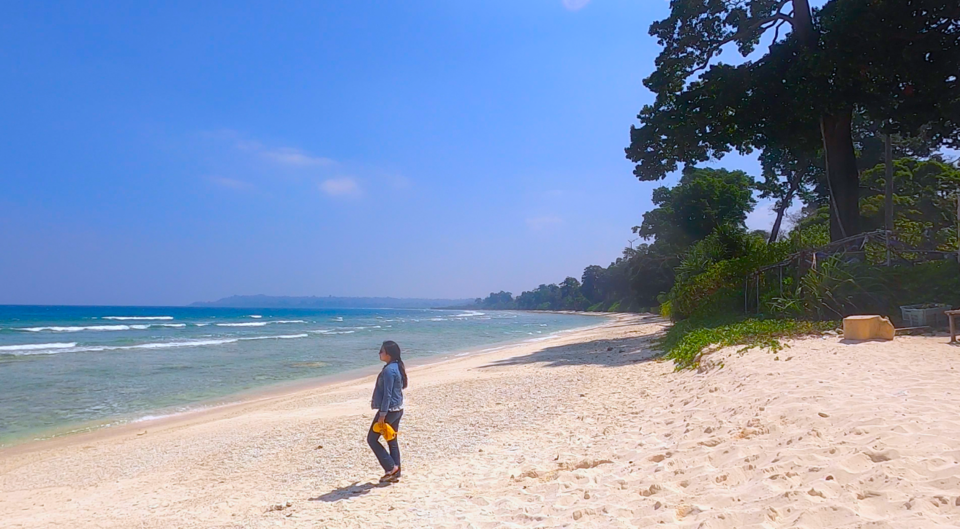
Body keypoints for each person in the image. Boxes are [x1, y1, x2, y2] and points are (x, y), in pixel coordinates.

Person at [367, 340, 407, 482]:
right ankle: (395, 473)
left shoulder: (389, 370)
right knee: (391, 439)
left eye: (382, 351)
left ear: (388, 354)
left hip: (389, 410)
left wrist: (382, 414)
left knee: (372, 439)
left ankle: (391, 467)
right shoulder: (396, 366)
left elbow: (387, 394)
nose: (379, 353)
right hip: (398, 409)